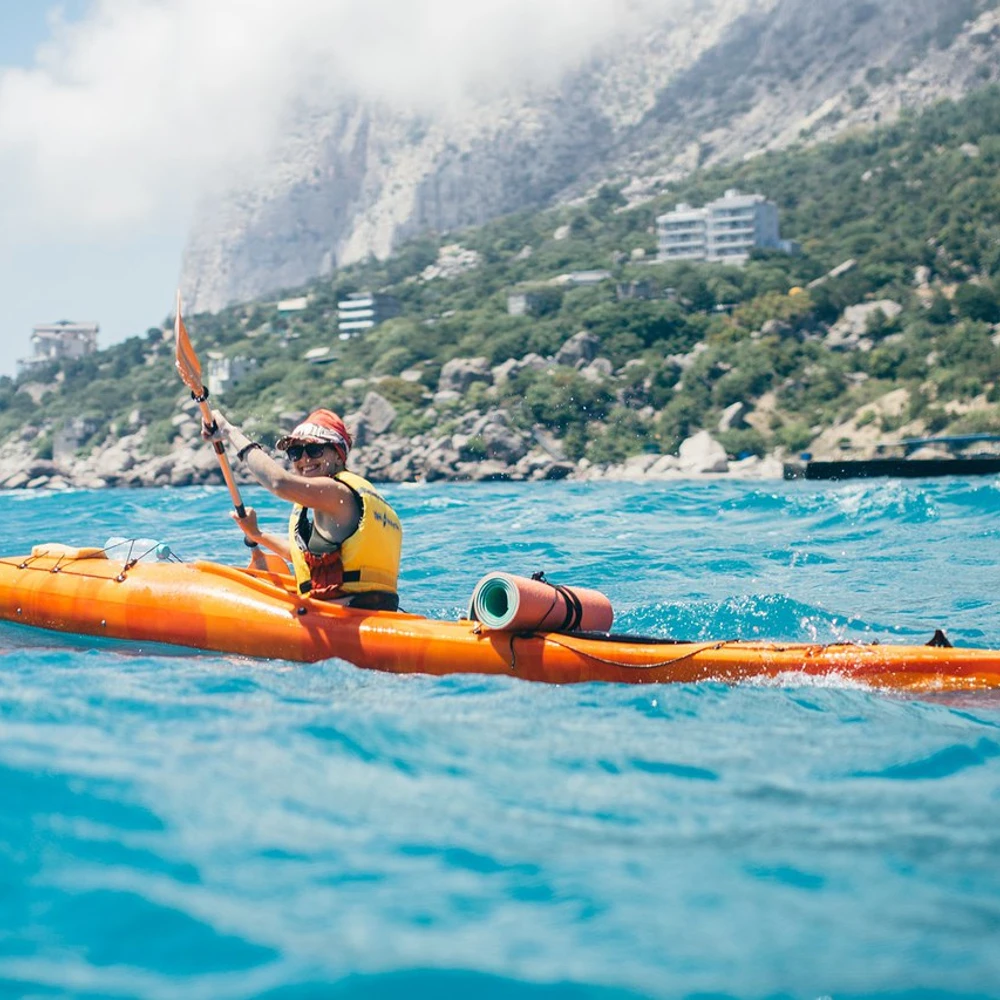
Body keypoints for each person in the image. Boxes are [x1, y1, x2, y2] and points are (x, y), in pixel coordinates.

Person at [203, 408, 402, 610]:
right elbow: (301, 558)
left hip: (346, 619)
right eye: (295, 452)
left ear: (339, 456)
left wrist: (228, 431)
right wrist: (257, 534)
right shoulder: (340, 501)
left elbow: (278, 482)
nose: (304, 459)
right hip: (371, 611)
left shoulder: (336, 492)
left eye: (315, 450)